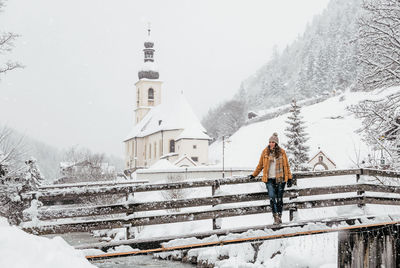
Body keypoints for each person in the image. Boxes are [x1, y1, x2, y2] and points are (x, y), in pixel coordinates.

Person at [248, 132, 293, 225]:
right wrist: (254, 175)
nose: (271, 143)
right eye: (270, 142)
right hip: (269, 179)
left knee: (279, 199)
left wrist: (289, 178)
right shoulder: (265, 152)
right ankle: (276, 217)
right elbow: (260, 165)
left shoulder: (282, 152)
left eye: (273, 142)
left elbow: (286, 166)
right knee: (272, 198)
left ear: (276, 143)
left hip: (280, 179)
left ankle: (279, 216)